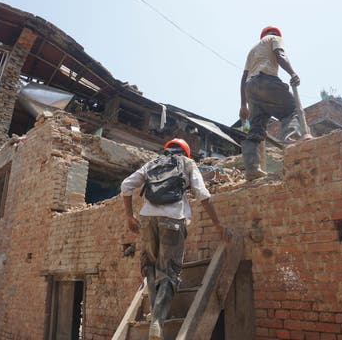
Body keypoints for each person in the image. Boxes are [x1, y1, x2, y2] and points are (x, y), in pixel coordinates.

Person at [121, 138, 225, 340]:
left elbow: (126, 185)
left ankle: (154, 314)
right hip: (173, 219)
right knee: (169, 271)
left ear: (167, 150)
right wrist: (218, 224)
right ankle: (158, 321)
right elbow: (202, 193)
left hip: (147, 219)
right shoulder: (187, 163)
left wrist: (128, 216)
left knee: (150, 266)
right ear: (185, 152)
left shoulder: (152, 163)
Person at [240, 26, 309, 180]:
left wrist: (243, 105)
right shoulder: (275, 39)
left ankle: (251, 168)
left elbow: (243, 78)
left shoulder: (252, 50)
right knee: (292, 111)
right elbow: (280, 55)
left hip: (251, 89)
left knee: (255, 131)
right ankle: (291, 150)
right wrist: (292, 73)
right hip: (267, 81)